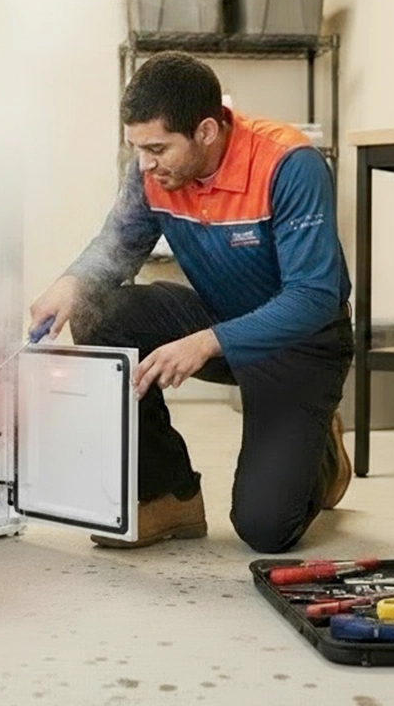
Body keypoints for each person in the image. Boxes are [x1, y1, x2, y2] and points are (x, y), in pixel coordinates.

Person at [29, 51, 353, 554]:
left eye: (157, 148)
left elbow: (314, 296)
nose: (144, 165)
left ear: (206, 131)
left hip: (302, 344)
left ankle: (320, 448)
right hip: (221, 323)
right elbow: (118, 243)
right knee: (100, 312)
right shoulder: (152, 173)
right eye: (137, 149)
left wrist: (207, 342)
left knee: (265, 529)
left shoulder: (289, 164)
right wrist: (72, 283)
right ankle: (167, 493)